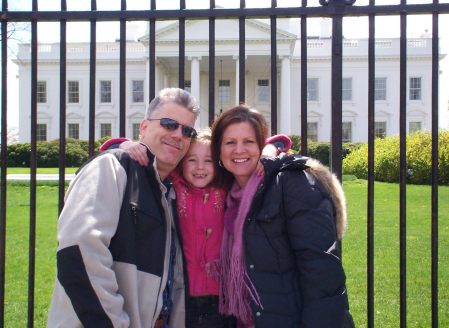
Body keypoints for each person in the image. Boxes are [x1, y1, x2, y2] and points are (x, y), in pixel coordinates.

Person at [102, 130, 292, 328]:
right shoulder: (175, 183)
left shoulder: (227, 186)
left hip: (224, 298)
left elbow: (277, 144)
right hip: (183, 295)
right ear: (182, 162)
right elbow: (112, 148)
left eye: (208, 160)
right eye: (192, 160)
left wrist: (269, 149)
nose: (200, 167)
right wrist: (126, 145)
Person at [47, 88, 199, 328]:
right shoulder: (112, 168)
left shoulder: (169, 191)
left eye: (187, 130)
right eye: (169, 124)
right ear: (144, 127)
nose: (178, 134)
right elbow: (78, 252)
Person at [210, 104, 354, 327]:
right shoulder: (228, 197)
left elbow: (321, 271)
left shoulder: (291, 183)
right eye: (230, 142)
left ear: (261, 146)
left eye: (248, 141)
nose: (239, 150)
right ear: (218, 150)